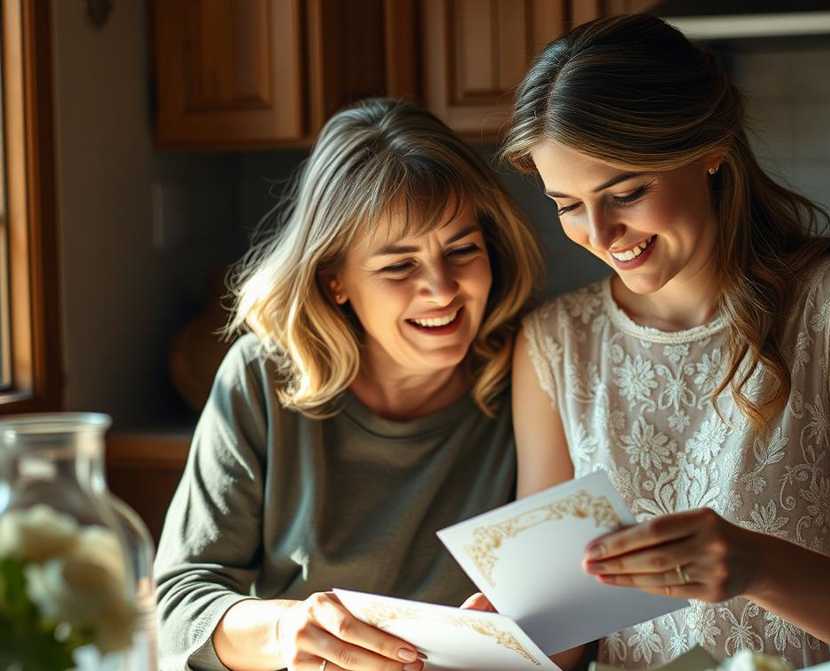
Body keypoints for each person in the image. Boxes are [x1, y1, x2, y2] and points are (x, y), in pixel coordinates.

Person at [499, 14, 830, 671]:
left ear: (711, 147)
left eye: (626, 192)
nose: (599, 234)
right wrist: (501, 637)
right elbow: (562, 633)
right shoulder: (554, 343)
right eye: (567, 204)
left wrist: (758, 565)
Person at [154, 98, 543, 671]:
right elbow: (177, 606)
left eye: (462, 249)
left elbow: (567, 621)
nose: (442, 289)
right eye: (399, 265)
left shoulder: (536, 372)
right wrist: (285, 629)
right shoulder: (260, 376)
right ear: (334, 279)